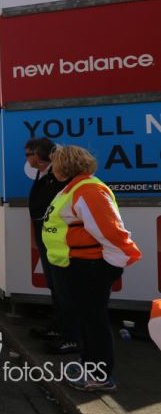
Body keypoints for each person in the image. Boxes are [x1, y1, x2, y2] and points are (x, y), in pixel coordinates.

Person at [42, 145, 141, 392]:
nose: (52, 168)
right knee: (86, 320)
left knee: (93, 321)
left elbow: (113, 234)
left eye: (55, 163)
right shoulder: (74, 188)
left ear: (66, 165)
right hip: (75, 266)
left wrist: (109, 269)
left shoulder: (88, 190)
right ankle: (89, 364)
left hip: (88, 267)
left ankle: (99, 375)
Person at [23, 138, 73, 352]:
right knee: (54, 284)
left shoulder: (58, 176)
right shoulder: (44, 173)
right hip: (48, 238)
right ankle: (59, 327)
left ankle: (70, 336)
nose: (26, 159)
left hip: (59, 240)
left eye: (28, 154)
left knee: (64, 287)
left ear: (38, 156)